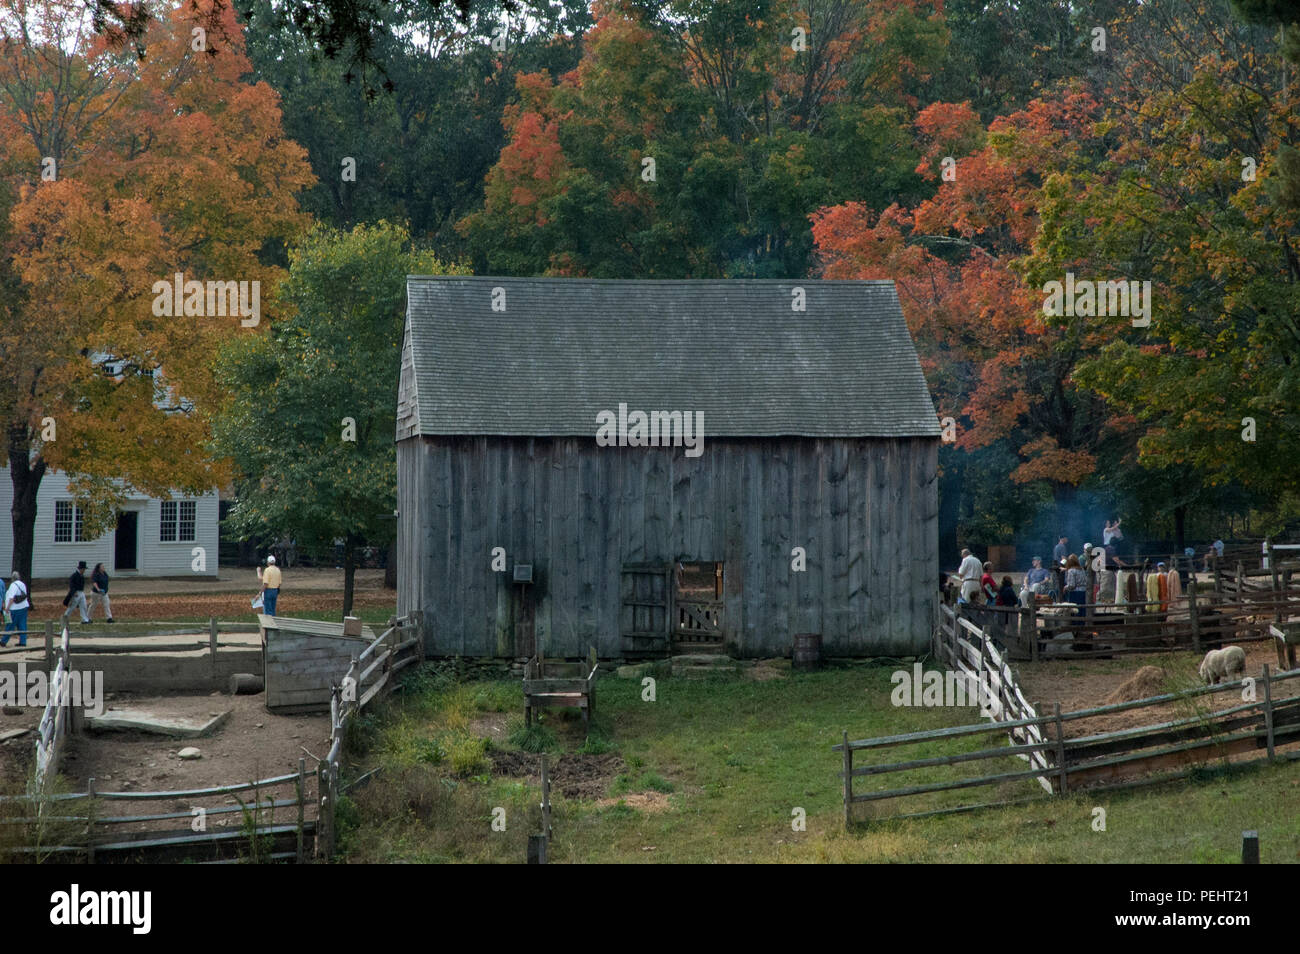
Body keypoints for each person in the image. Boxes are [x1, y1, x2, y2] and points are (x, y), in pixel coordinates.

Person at [1, 571, 31, 647]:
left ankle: (4, 641)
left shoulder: (13, 585)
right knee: (22, 624)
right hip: (24, 606)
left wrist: (7, 608)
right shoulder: (22, 584)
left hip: (14, 608)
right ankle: (23, 641)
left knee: (10, 624)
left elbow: (11, 598)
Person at [62, 560, 91, 625]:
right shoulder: (74, 576)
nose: (84, 570)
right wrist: (73, 592)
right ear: (80, 569)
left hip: (81, 592)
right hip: (76, 593)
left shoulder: (82, 576)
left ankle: (84, 619)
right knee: (71, 607)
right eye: (83, 569)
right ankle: (65, 618)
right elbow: (71, 585)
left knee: (83, 606)